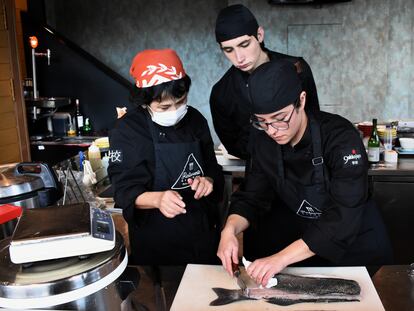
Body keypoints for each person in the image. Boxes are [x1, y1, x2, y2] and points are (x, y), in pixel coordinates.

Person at [217, 60, 393, 287]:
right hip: (305, 249)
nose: (271, 131)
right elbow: (252, 196)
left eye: (280, 119)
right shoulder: (262, 140)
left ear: (301, 100)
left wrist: (281, 259)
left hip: (355, 252)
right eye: (262, 122)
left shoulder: (340, 138)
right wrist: (229, 229)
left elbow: (343, 215)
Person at [108, 49, 224, 265]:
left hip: (201, 232)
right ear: (144, 102)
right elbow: (125, 192)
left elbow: (212, 167)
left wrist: (207, 181)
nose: (175, 110)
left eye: (181, 102)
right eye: (164, 107)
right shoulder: (128, 130)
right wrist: (158, 199)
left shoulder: (196, 120)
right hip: (157, 241)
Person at [210, 4, 319, 160]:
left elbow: (314, 120)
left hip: (304, 163)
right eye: (229, 50)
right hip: (260, 170)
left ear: (259, 35)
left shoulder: (297, 69)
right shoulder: (221, 93)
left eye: (244, 44)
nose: (239, 57)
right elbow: (233, 146)